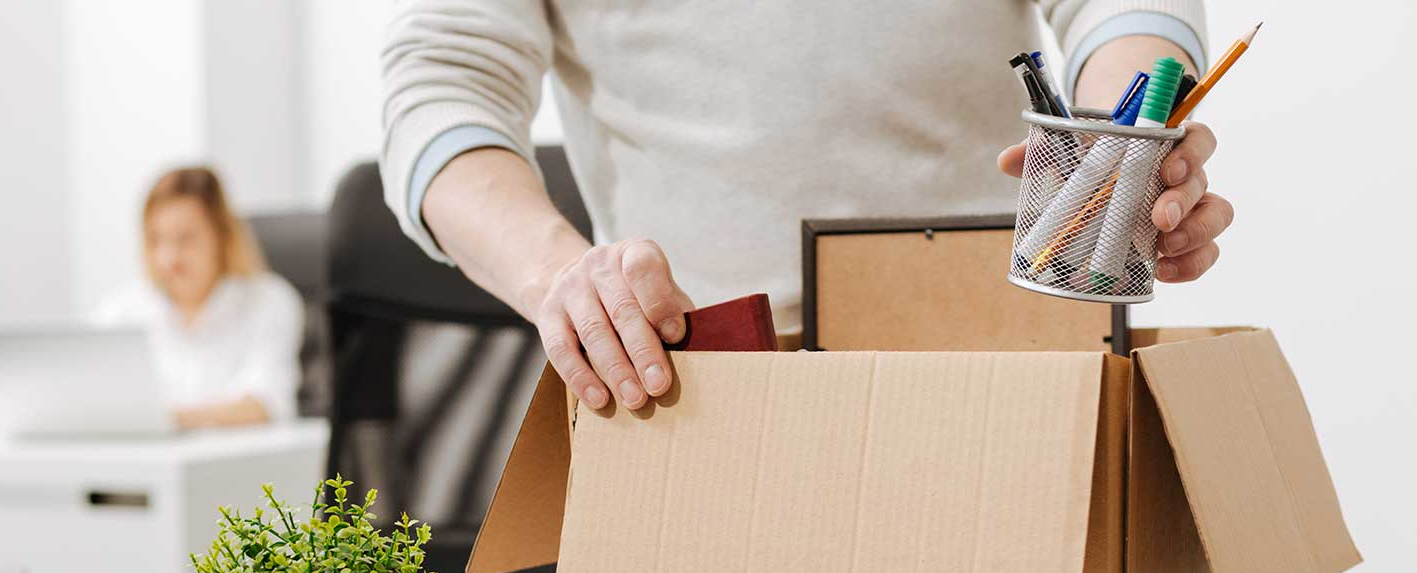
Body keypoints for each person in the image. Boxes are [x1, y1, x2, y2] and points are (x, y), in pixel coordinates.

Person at [380, 1, 1232, 412]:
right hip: (698, 385)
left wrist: (1127, 149)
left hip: (1005, 370)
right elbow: (444, 85)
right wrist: (557, 277)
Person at [96, 166, 304, 429]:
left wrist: (169, 421)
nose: (170, 257)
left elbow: (268, 404)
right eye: (157, 240)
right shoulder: (122, 310)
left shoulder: (270, 302)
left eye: (186, 239)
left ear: (221, 237)